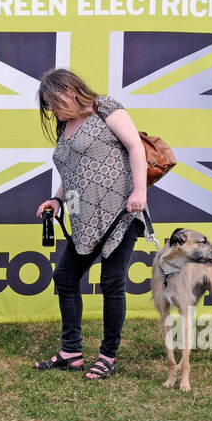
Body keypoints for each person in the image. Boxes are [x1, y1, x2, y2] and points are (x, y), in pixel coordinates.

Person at [32, 68, 148, 380]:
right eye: (47, 106)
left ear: (68, 91)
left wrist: (140, 191)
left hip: (120, 212)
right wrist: (57, 200)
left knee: (111, 282)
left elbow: (136, 146)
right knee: (66, 278)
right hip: (83, 217)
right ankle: (71, 351)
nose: (50, 109)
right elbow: (71, 171)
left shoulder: (104, 107)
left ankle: (108, 355)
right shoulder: (63, 125)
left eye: (52, 102)